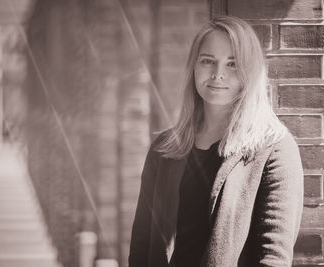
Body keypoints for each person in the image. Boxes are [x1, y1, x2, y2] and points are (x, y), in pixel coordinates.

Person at [129, 16, 303, 267]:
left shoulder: (274, 148)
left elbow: (273, 256)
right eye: (208, 61)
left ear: (249, 72)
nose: (218, 74)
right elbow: (140, 248)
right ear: (194, 67)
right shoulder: (164, 148)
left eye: (232, 64)